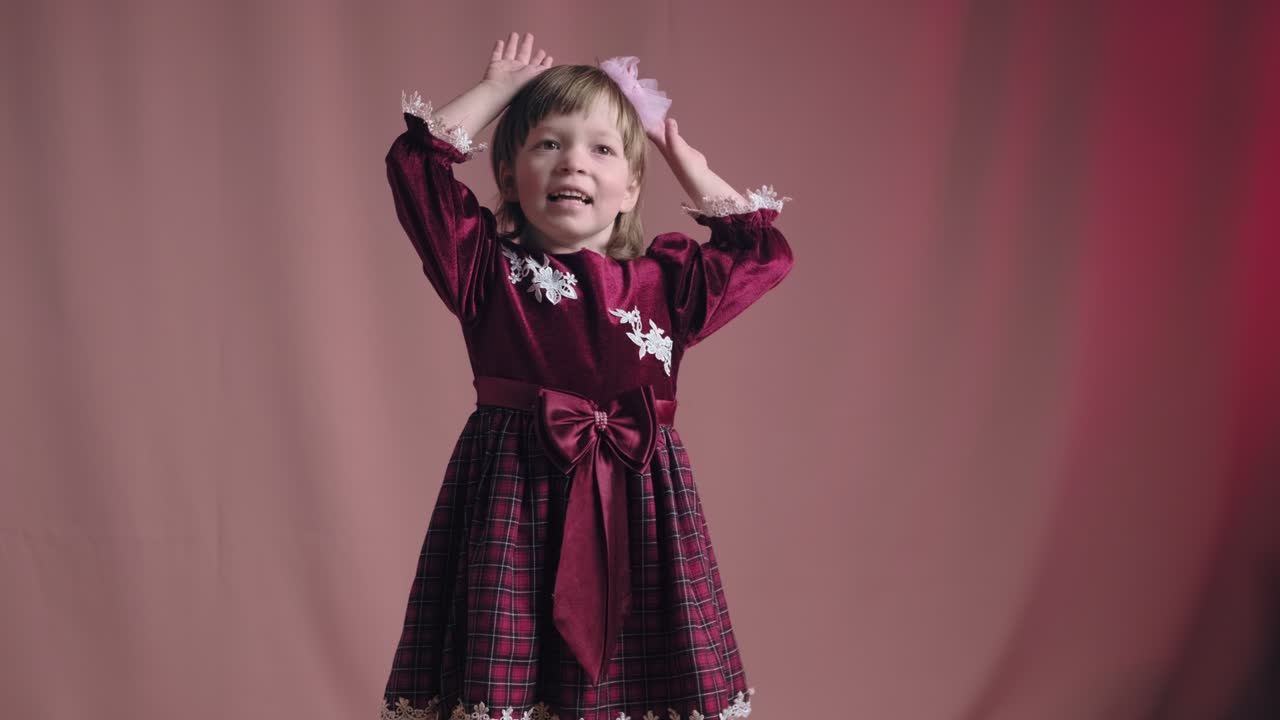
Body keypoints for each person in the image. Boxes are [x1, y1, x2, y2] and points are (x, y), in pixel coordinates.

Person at [379, 32, 793, 720]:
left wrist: (683, 159)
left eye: (602, 148)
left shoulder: (670, 281)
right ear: (508, 175)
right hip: (512, 503)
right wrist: (497, 92)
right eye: (548, 143)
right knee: (506, 670)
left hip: (641, 507)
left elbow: (762, 253)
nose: (574, 160)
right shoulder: (484, 269)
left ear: (632, 186)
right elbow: (414, 169)